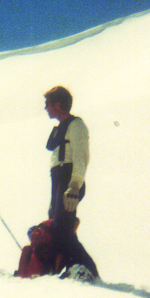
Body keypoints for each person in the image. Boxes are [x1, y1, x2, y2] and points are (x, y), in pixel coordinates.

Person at [44, 86, 99, 280]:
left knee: (62, 229)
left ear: (58, 104)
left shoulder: (76, 125)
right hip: (59, 180)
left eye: (48, 103)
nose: (45, 108)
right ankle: (78, 269)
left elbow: (80, 157)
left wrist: (74, 185)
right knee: (61, 228)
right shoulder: (61, 128)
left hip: (69, 180)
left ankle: (85, 271)